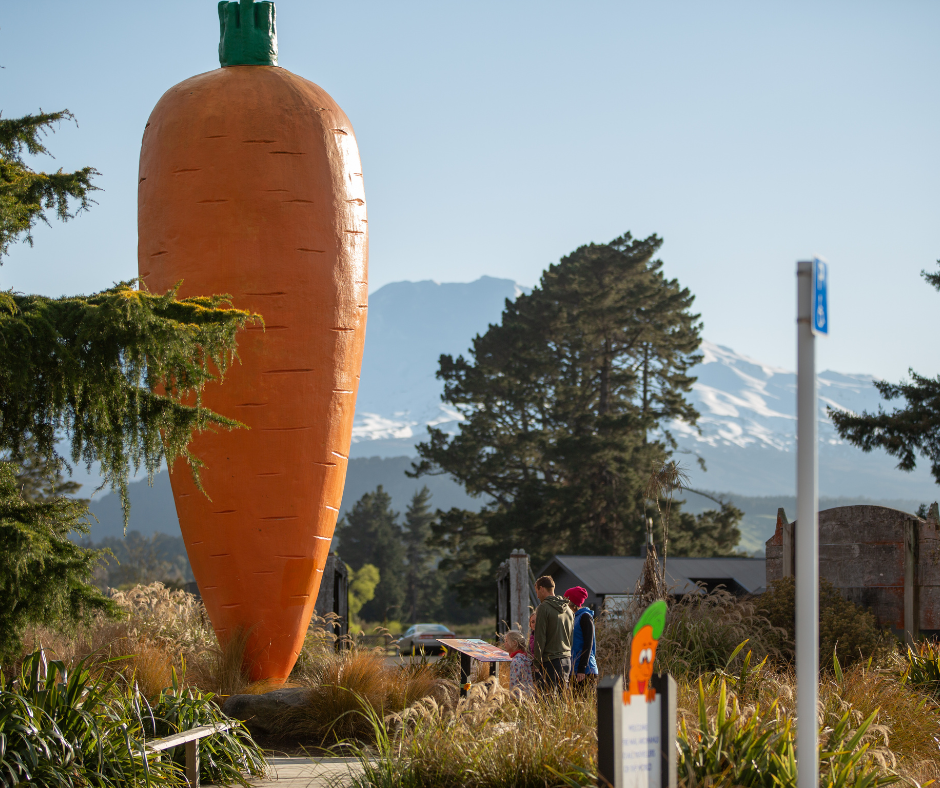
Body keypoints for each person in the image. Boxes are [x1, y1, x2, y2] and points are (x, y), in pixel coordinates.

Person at [532, 575, 574, 691]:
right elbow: (571, 637)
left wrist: (536, 663)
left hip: (550, 661)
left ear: (542, 589)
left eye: (537, 592)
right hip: (566, 659)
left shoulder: (543, 608)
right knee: (562, 700)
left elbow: (540, 637)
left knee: (548, 700)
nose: (537, 596)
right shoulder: (568, 610)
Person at [564, 586, 598, 688]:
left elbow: (588, 643)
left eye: (566, 601)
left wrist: (582, 668)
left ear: (572, 603)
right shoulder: (573, 618)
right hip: (574, 669)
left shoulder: (585, 617)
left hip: (585, 670)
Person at [502, 629, 535, 697]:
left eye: (506, 641)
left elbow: (514, 682)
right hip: (528, 695)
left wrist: (511, 697)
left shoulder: (516, 661)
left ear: (514, 643)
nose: (504, 643)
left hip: (519, 697)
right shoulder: (525, 658)